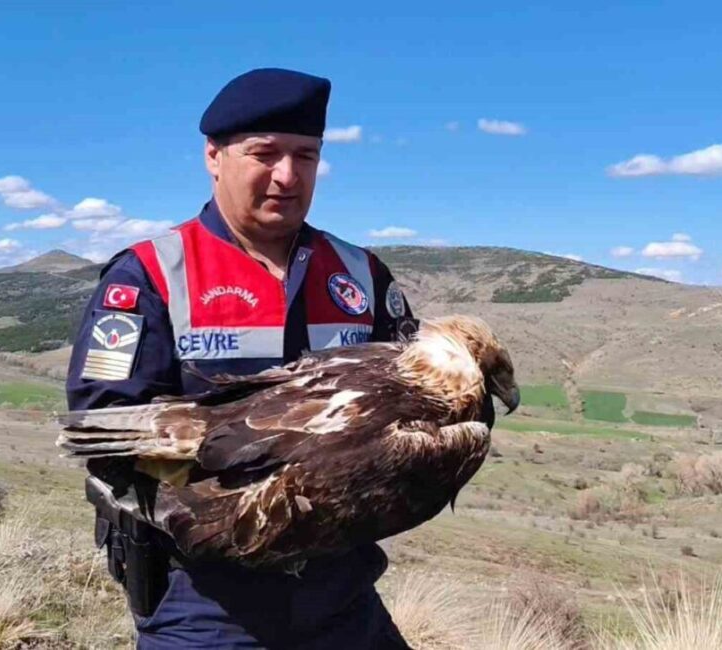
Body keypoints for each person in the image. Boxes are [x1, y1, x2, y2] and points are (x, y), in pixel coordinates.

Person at [67, 67, 493, 649]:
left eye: (306, 156)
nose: (288, 176)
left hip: (341, 591)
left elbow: (417, 401)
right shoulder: (150, 274)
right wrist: (230, 490)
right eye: (264, 154)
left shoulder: (360, 274)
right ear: (213, 156)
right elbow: (105, 426)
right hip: (207, 599)